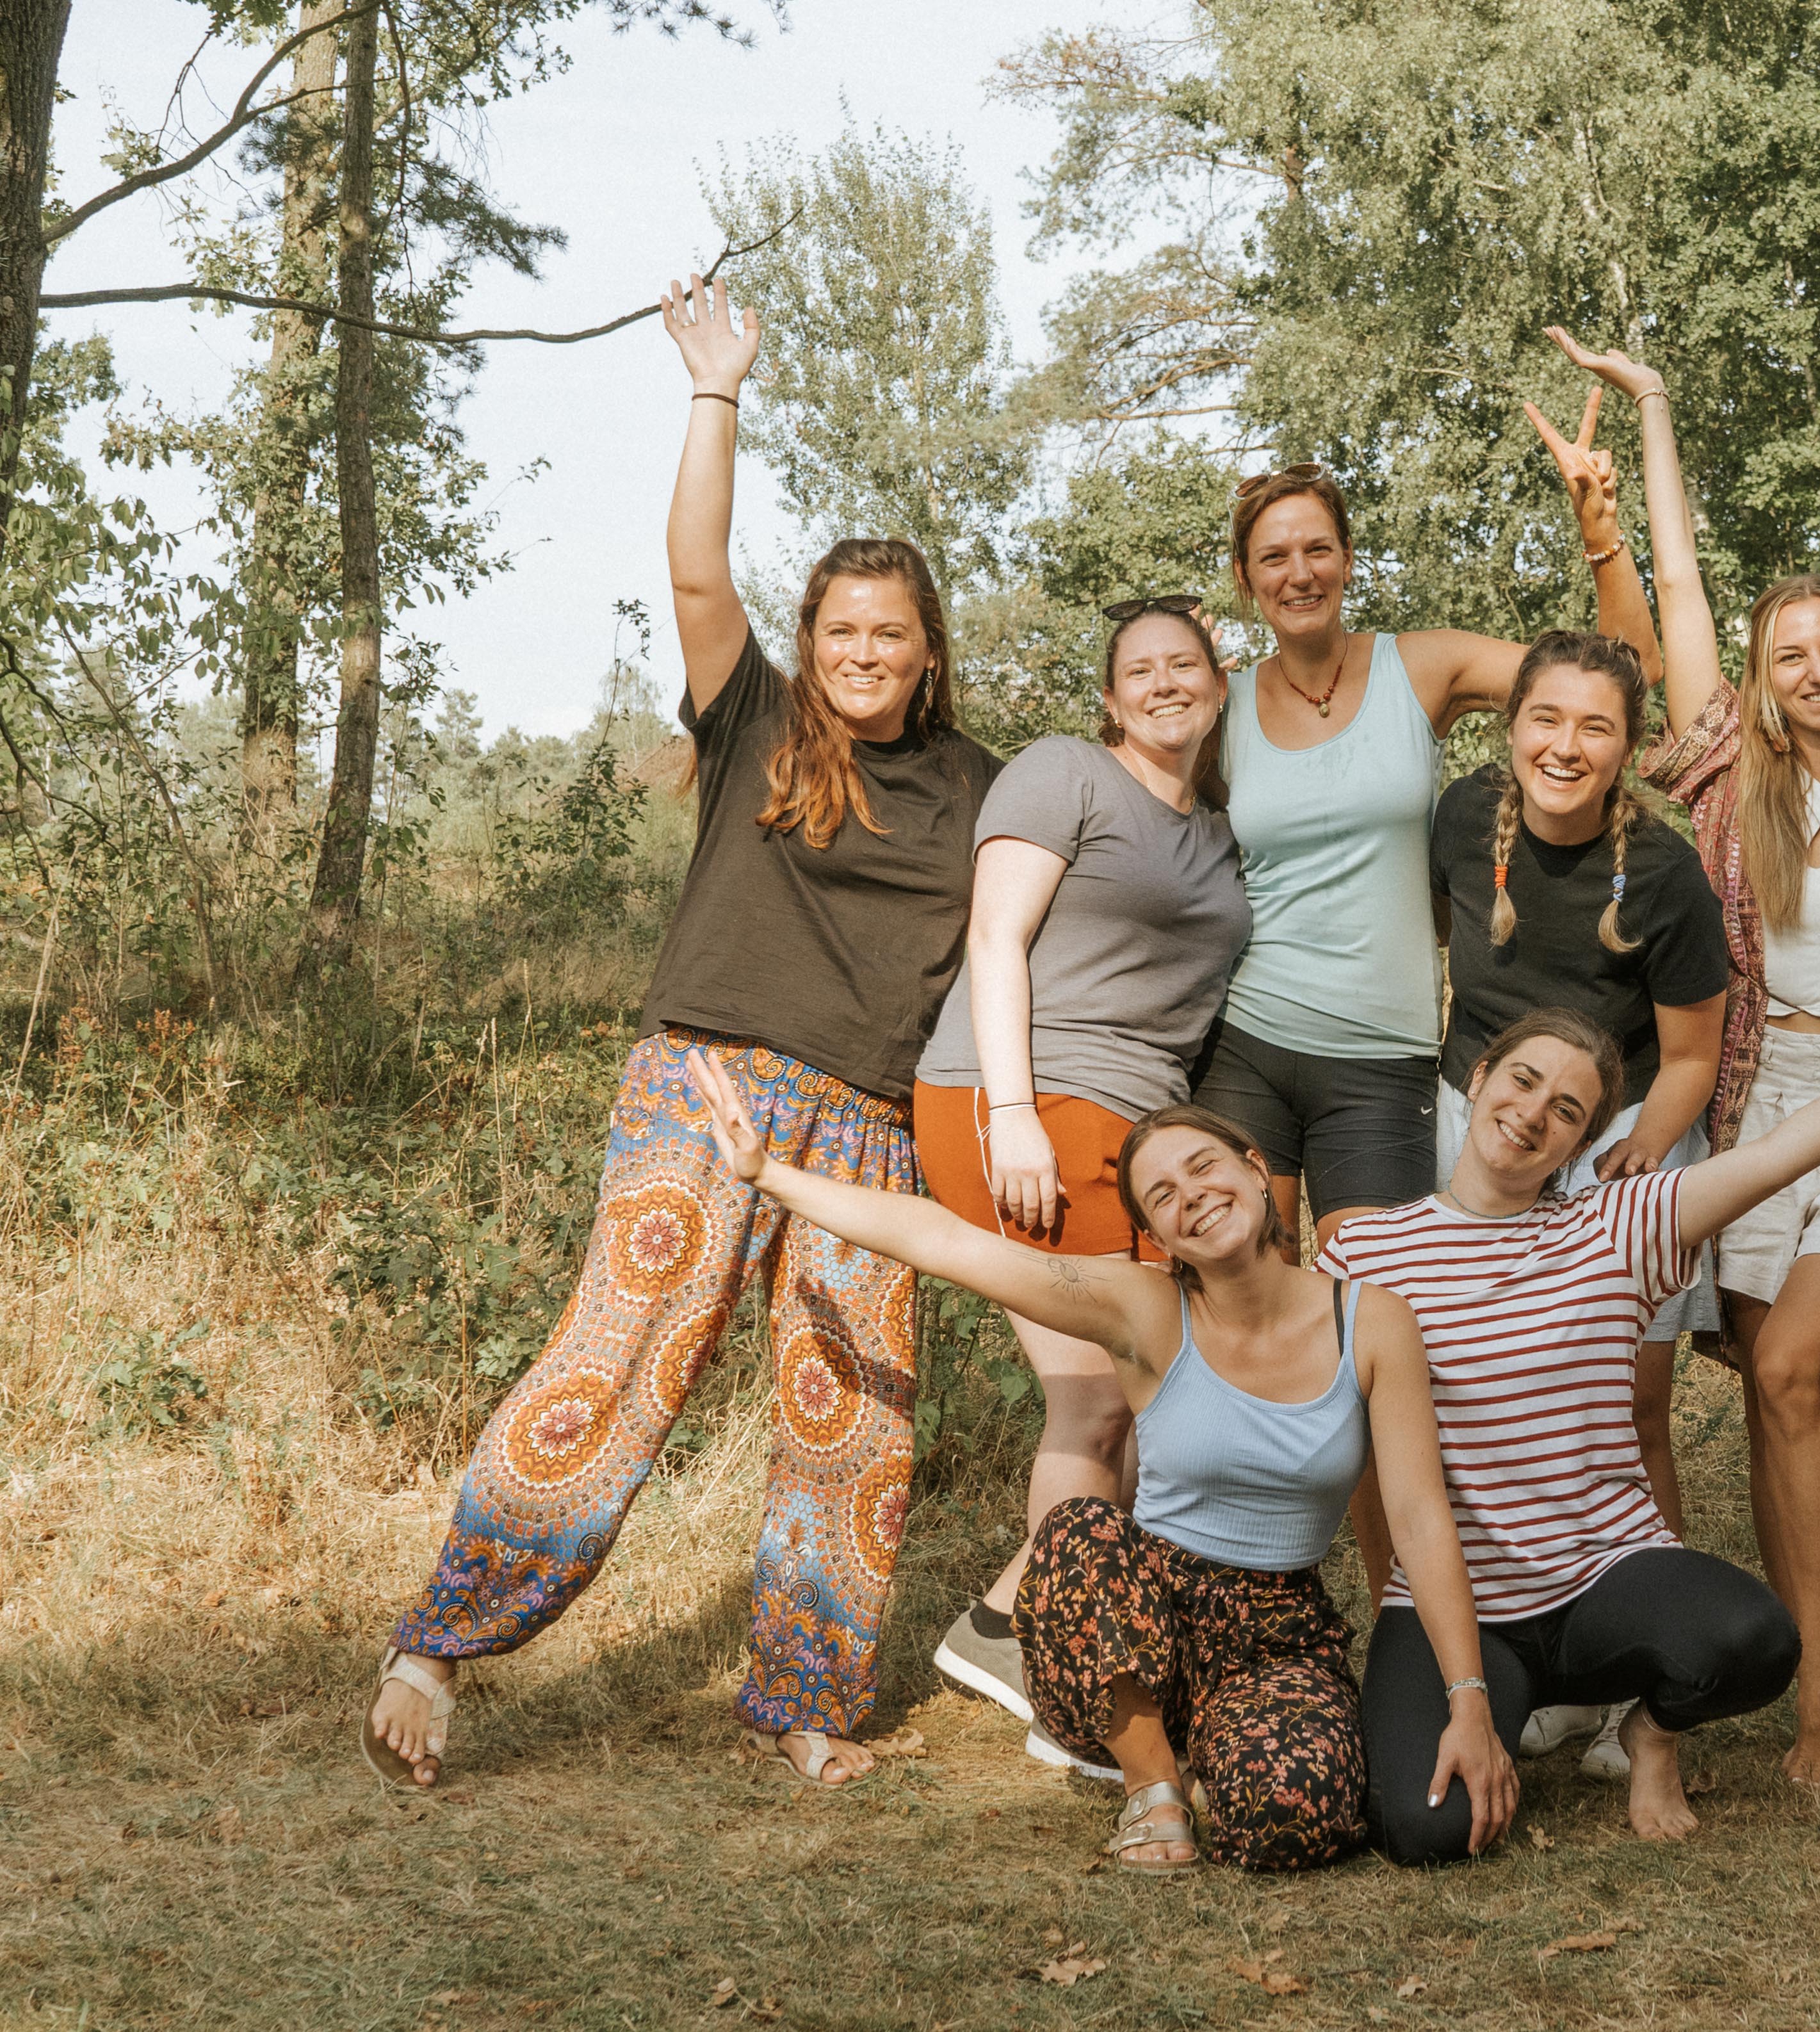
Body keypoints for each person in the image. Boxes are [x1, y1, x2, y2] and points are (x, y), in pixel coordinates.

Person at [364, 275, 999, 1790]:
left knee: (855, 1418)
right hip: (707, 1085)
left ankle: (802, 1703)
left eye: (890, 633)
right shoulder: (761, 721)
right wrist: (717, 390)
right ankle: (435, 1646)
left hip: (873, 1128)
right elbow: (697, 572)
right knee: (620, 1362)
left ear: (928, 649)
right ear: (814, 640)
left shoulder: (985, 785)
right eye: (841, 629)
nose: (863, 652)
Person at [688, 1053, 1516, 1872]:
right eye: (1164, 1194)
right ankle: (1153, 1783)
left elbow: (1421, 1519)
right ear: (1158, 1236)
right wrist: (772, 1176)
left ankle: (1211, 1756)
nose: (1193, 1195)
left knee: (1295, 1819)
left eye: (1205, 1167)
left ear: (1256, 1169)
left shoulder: (1371, 1321)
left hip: (1278, 1636)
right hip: (1129, 1622)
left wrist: (1468, 1700)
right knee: (1080, 1529)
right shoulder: (1145, 1308)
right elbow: (948, 1242)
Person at [1547, 326, 1820, 1788]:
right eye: (1788, 653)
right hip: (1754, 1101)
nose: (1814, 669)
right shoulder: (1734, 777)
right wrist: (1655, 409)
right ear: (1764, 675)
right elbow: (1673, 590)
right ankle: (1799, 1676)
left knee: (1793, 1366)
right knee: (1763, 1386)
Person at [1334, 997, 1820, 1858]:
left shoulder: (1615, 1227)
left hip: (1602, 1580)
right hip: (1459, 1611)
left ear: (1581, 1142)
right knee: (1427, 1831)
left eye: (1567, 1109)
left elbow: (1785, 1153)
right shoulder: (1362, 1257)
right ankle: (1495, 1708)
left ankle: (1650, 1732)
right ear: (1478, 1080)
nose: (1533, 1113)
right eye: (1523, 1080)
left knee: (1755, 1641)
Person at [906, 597, 1249, 1776]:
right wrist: (1012, 1114)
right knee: (1100, 1401)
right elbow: (995, 938)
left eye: (1185, 664)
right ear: (1109, 699)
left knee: (1157, 1394)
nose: (1164, 683)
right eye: (1138, 670)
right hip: (1024, 1101)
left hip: (1138, 1132)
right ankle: (1063, 1665)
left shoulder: (1217, 827)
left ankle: (1009, 1622)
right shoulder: (1066, 772)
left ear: (1220, 683)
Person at [1190, 423, 1658, 1259]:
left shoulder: (1423, 666)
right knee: (1246, 1280)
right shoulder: (1218, 708)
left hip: (1384, 1053)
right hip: (1248, 1040)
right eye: (1273, 557)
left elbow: (1624, 674)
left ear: (1348, 559)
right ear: (1244, 577)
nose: (1300, 572)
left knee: (1378, 1293)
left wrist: (1600, 535)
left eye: (1318, 549)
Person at [1422, 621, 1731, 1782]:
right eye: (1545, 718)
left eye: (1596, 726)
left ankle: (1644, 1680)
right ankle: (1532, 1661)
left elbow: (1693, 1054)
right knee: (1480, 1402)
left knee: (1629, 1400)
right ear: (1512, 728)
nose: (1566, 744)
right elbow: (1437, 950)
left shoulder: (1664, 873)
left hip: (1620, 1131)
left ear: (1628, 749)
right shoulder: (1462, 819)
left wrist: (1628, 1154)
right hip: (1482, 1120)